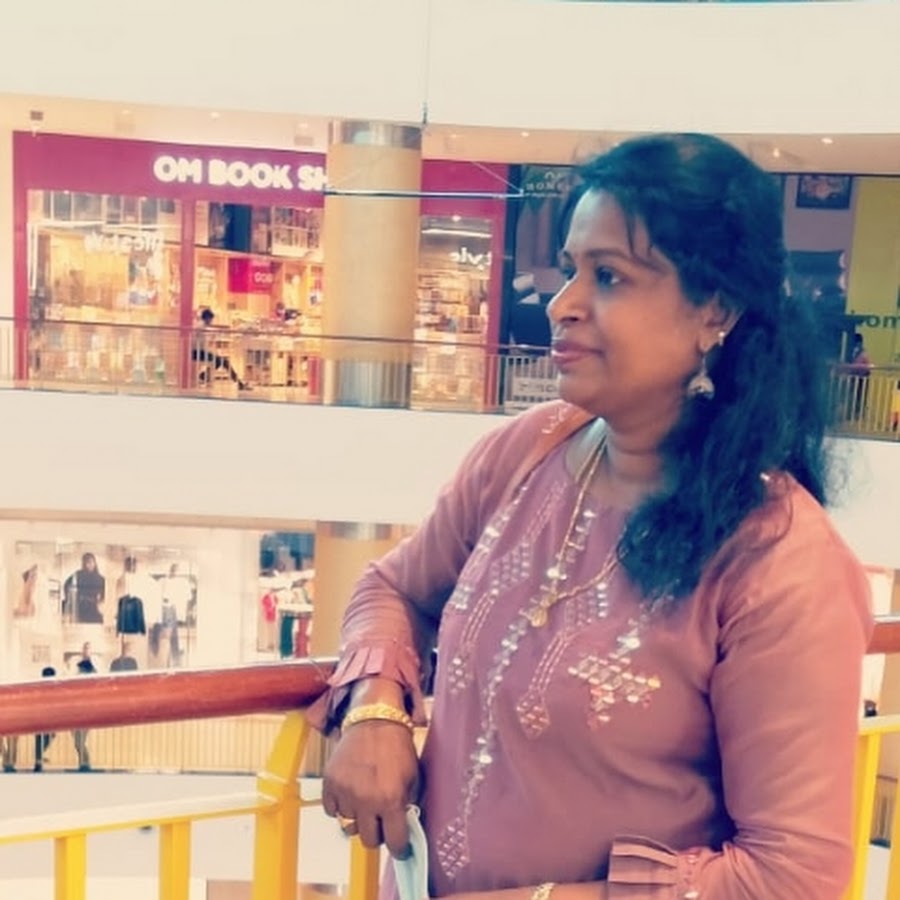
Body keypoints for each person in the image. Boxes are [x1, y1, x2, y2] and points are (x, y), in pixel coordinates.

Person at [309, 134, 873, 900]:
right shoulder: (527, 452)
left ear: (715, 310)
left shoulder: (779, 562)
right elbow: (395, 588)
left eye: (608, 276)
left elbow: (795, 877)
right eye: (570, 268)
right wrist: (375, 710)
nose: (562, 302)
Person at [191, 308, 250, 390]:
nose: (211, 321)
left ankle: (204, 376)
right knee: (223, 361)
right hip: (198, 352)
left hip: (199, 352)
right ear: (207, 318)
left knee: (220, 361)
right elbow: (205, 338)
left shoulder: (201, 326)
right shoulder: (201, 326)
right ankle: (238, 382)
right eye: (210, 319)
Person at [62, 552, 106, 624]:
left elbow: (105, 591)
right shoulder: (78, 575)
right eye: (87, 563)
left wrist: (101, 599)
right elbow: (66, 585)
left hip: (94, 608)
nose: (89, 565)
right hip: (80, 607)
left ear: (95, 563)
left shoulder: (100, 578)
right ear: (84, 564)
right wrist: (70, 599)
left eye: (91, 562)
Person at [72, 642, 96, 771]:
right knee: (78, 741)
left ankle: (85, 763)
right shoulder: (78, 666)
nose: (85, 651)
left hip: (85, 710)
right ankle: (83, 762)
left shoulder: (92, 667)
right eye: (85, 649)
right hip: (78, 710)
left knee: (79, 741)